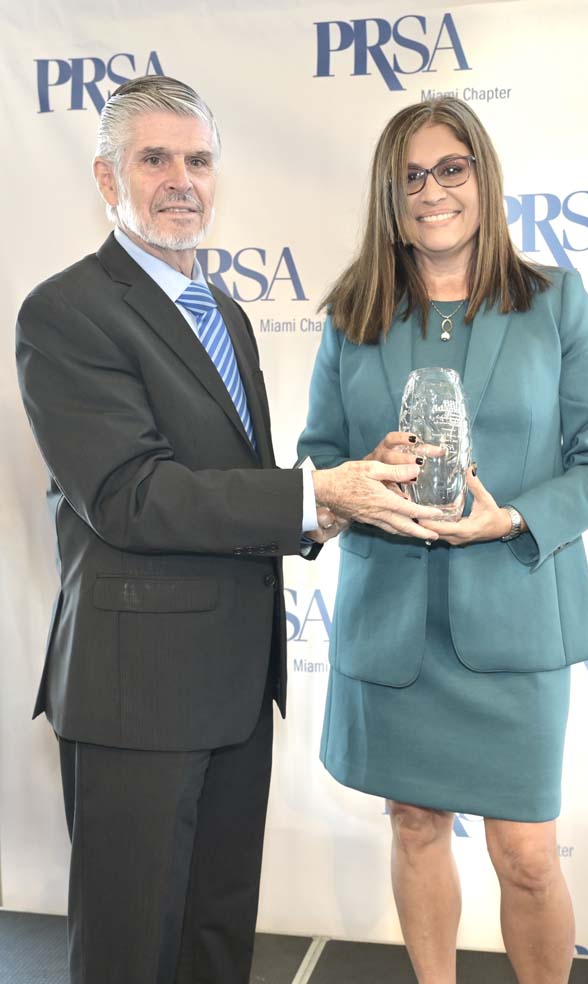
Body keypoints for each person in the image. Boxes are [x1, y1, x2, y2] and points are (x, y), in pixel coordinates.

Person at [15, 75, 436, 984]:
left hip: (236, 683)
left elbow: (235, 487)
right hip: (136, 694)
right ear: (104, 176)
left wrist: (335, 496)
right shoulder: (64, 312)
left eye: (198, 160)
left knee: (216, 942)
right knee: (130, 952)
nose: (181, 180)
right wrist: (319, 494)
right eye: (154, 159)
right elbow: (130, 494)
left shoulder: (226, 313)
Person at [297, 97, 588, 984]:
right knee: (413, 824)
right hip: (392, 626)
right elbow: (318, 460)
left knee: (525, 853)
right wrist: (360, 476)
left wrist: (510, 516)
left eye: (451, 168)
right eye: (410, 176)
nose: (432, 190)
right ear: (387, 195)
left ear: (481, 177)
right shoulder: (350, 313)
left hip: (515, 622)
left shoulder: (554, 302)